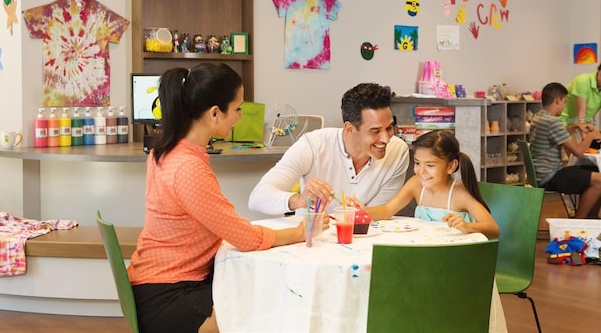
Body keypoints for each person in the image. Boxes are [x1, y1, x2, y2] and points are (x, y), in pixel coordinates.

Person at [127, 63, 316, 333]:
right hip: (168, 293)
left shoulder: (167, 151)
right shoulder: (187, 167)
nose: (240, 116)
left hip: (155, 280)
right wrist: (299, 232)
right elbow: (245, 238)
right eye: (237, 108)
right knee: (272, 298)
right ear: (215, 113)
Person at [248, 83, 410, 215]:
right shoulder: (312, 145)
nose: (386, 138)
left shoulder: (398, 151)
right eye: (375, 131)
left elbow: (381, 213)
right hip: (312, 239)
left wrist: (360, 212)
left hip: (364, 240)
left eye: (389, 128)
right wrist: (298, 200)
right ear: (349, 128)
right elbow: (257, 198)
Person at [358, 130, 499, 239]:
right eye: (417, 163)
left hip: (458, 258)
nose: (421, 171)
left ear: (451, 166)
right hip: (428, 254)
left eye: (430, 165)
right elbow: (387, 210)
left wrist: (467, 226)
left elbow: (493, 229)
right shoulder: (416, 184)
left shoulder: (460, 193)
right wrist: (360, 211)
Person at [529, 82, 601, 219]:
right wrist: (591, 136)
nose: (564, 106)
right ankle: (578, 222)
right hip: (550, 176)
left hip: (539, 174)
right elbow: (578, 152)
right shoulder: (552, 122)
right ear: (558, 100)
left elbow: (555, 135)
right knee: (599, 180)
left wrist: (574, 127)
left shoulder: (539, 117)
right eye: (565, 101)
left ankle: (591, 218)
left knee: (593, 171)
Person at [560, 63, 601, 130]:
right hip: (564, 123)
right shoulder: (583, 81)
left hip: (582, 124)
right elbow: (581, 117)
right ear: (599, 69)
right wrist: (585, 138)